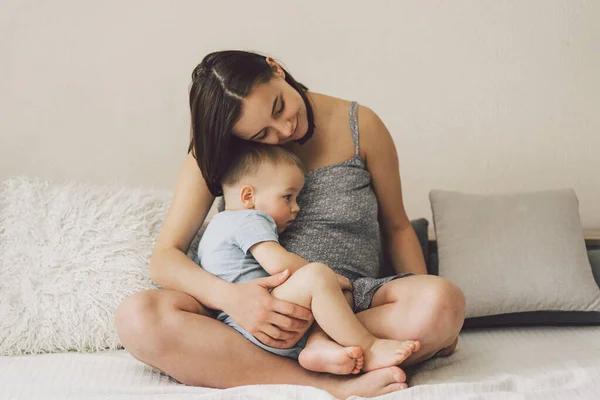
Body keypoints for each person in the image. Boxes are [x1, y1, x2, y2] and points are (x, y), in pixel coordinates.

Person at [115, 50, 466, 399]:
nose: (284, 130)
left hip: (348, 304)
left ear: (276, 68)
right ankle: (326, 382)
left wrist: (438, 318)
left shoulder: (362, 126)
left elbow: (398, 228)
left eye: (278, 107)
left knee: (443, 302)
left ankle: (322, 348)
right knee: (137, 317)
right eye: (260, 134)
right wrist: (235, 301)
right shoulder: (220, 148)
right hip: (248, 313)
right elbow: (165, 257)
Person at [199, 143, 421, 374]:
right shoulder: (250, 219)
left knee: (339, 294)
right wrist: (332, 277)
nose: (296, 208)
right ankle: (370, 346)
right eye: (287, 197)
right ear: (248, 196)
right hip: (259, 321)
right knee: (317, 275)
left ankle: (319, 347)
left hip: (237, 324)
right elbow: (278, 263)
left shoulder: (216, 228)